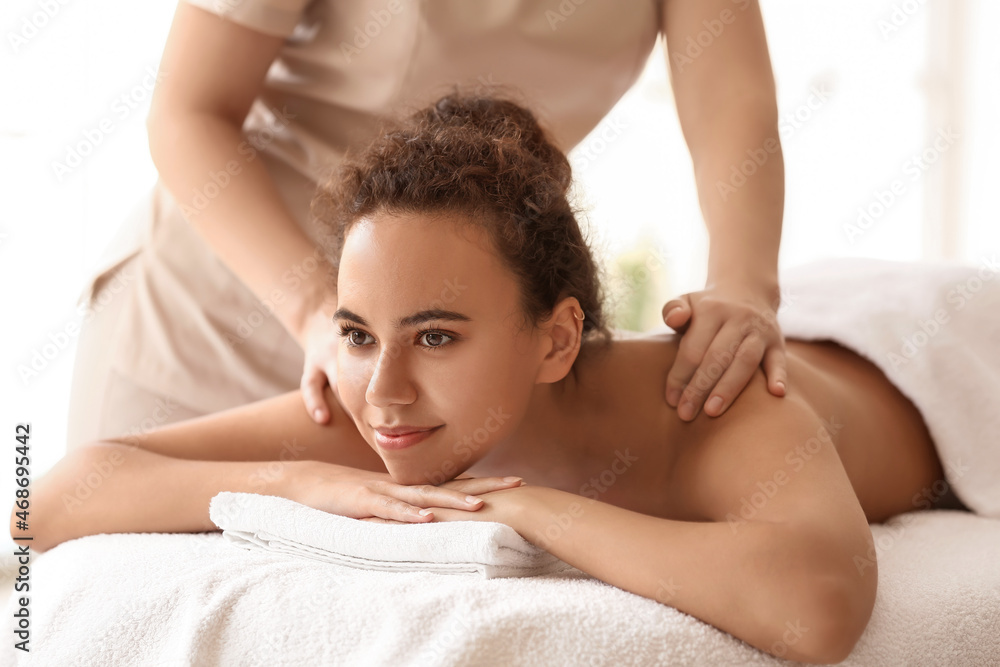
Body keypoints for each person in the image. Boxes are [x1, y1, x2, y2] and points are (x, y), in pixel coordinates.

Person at [29, 94, 961, 663]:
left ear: (557, 341)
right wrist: (301, 479)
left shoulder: (711, 398)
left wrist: (531, 510)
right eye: (358, 331)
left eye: (435, 337)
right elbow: (50, 496)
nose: (384, 389)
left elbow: (820, 606)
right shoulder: (377, 407)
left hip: (934, 342)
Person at [65, 0, 789, 452]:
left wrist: (744, 284)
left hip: (428, 360)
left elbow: (733, 107)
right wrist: (322, 316)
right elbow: (188, 112)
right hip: (214, 313)